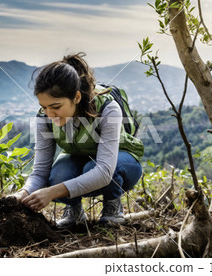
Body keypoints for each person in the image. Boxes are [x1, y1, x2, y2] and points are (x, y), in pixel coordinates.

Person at [12, 52, 144, 229]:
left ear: (76, 97)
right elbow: (40, 172)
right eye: (44, 107)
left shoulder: (107, 108)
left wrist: (51, 192)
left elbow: (104, 171)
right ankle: (74, 212)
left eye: (56, 107)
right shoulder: (44, 118)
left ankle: (112, 207)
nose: (50, 114)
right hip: (81, 158)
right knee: (58, 175)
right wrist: (21, 194)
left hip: (120, 162)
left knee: (94, 169)